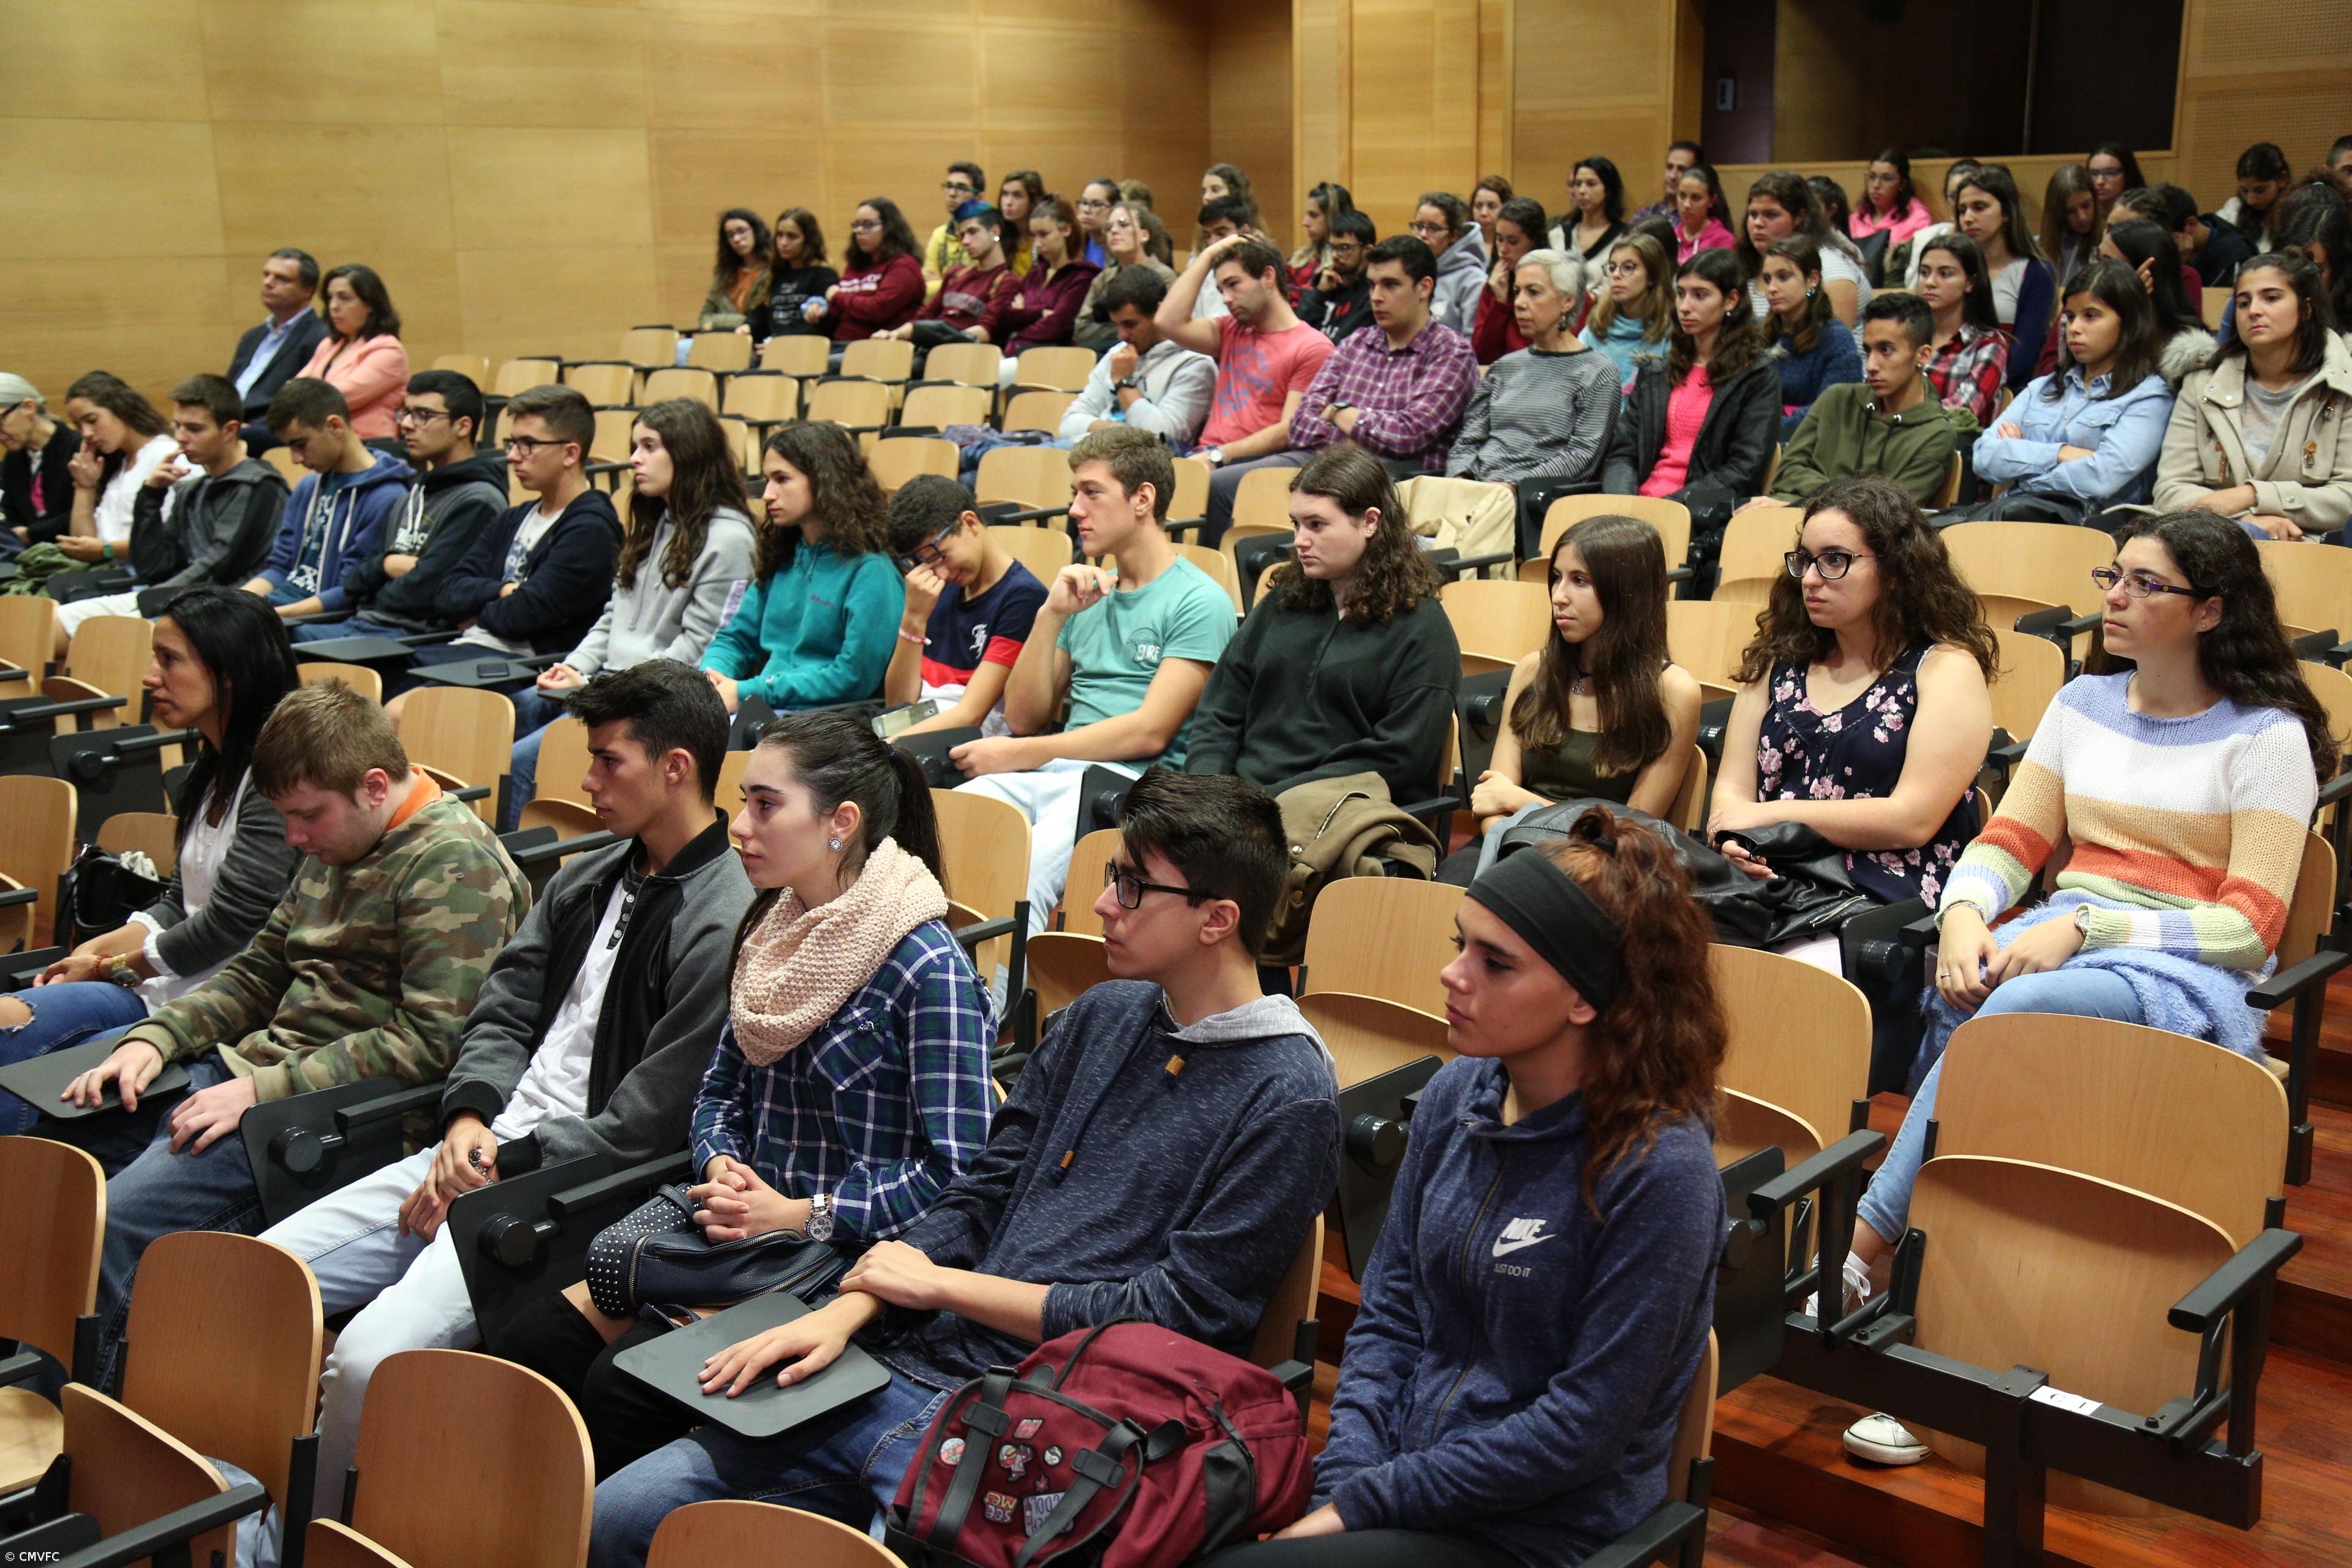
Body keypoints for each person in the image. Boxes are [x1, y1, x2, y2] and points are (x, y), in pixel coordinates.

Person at [587, 764, 1337, 1567]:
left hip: (1052, 1423)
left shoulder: (1288, 1091)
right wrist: (847, 1313)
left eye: (1132, 886)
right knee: (623, 1515)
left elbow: (1175, 1316)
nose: (1100, 904)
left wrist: (940, 1287)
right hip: (904, 1365)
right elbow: (981, 1194)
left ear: (1217, 919)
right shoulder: (1103, 1015)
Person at [1833, 512, 2331, 1465]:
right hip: (2059, 949)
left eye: (2147, 585)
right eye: (2114, 575)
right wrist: (1969, 912)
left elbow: (2247, 929)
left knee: (2009, 1016)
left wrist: (2088, 926)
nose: (2114, 596)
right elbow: (2011, 841)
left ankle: (1868, 1246)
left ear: (2212, 611)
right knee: (1992, 992)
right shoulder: (2084, 704)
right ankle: (1935, 1309)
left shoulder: (2268, 738)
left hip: (2183, 972)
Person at [258, 661, 755, 1523]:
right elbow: (502, 1002)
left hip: (560, 1191)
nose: (587, 782)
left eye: (608, 762)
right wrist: (468, 1117)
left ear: (676, 767)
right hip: (480, 1146)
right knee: (257, 1281)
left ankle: (307, 1541)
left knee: (369, 1357)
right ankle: (237, 1502)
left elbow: (648, 1122)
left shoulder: (724, 914)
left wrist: (498, 1160)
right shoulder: (591, 874)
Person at [491, 706, 994, 1487]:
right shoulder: (772, 924)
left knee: (617, 1388)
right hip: (742, 1227)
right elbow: (718, 1090)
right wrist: (722, 1161)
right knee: (530, 1346)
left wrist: (803, 1213)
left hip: (845, 1259)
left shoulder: (924, 966)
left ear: (841, 822)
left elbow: (958, 1175)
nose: (741, 828)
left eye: (767, 805)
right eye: (744, 802)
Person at [1212, 810, 1722, 1567]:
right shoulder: (1456, 1097)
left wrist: (1364, 1504)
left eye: (1497, 962)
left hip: (1534, 1534)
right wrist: (1346, 1486)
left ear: (1586, 998)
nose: (1453, 975)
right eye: (1461, 946)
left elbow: (1580, 1429)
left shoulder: (1659, 1172)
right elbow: (1390, 1317)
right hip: (1400, 1490)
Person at [39, 682, 528, 1389]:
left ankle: (75, 1417)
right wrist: (157, 1037)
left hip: (338, 1123)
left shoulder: (454, 863)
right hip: (255, 1084)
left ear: (374, 785)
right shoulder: (336, 838)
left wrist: (263, 1090)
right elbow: (260, 970)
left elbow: (432, 1046)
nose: (295, 838)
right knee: (56, 1166)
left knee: (118, 1222)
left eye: (307, 817)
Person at [0, 589, 301, 1136]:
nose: (149, 677)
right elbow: (180, 899)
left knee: (17, 1101)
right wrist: (95, 949)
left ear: (229, 673)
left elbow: (231, 925)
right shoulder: (211, 764)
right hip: (163, 983)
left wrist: (112, 966)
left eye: (170, 660)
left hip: (222, 1009)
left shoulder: (277, 777)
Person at [950, 428, 1237, 936]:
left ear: (1143, 499)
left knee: (1020, 877)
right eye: (1073, 495)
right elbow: (1023, 717)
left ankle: (996, 1015)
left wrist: (1020, 753)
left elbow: (1149, 732)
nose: (1076, 510)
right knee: (945, 843)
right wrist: (1051, 615)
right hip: (1055, 772)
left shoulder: (1198, 600)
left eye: (1092, 492)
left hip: (1131, 786)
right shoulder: (1085, 593)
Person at [1709, 477, 1995, 968]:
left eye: (1835, 560)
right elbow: (1731, 799)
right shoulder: (1776, 663)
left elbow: (1912, 819)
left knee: (1786, 978)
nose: (1811, 579)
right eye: (1805, 559)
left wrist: (1771, 816)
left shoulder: (1945, 668)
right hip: (1772, 876)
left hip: (1883, 895)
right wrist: (1738, 843)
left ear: (1895, 572)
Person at [508, 399, 757, 823]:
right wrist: (573, 668)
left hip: (655, 700)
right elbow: (613, 615)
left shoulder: (728, 538)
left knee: (519, 763)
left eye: (649, 447)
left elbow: (699, 647)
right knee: (512, 712)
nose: (634, 459)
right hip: (610, 683)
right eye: (634, 446)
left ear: (688, 453)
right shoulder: (654, 522)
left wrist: (600, 688)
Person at [1186, 447, 1460, 803]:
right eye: (1296, 524)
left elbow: (1397, 758)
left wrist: (1268, 804)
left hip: (1336, 813)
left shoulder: (1422, 628)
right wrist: (1207, 790)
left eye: (1317, 525)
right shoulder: (1283, 602)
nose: (1300, 540)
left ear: (1370, 522)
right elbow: (1219, 710)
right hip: (1239, 803)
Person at [1457, 515, 1701, 882]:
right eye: (1556, 577)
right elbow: (1493, 798)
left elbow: (1629, 832)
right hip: (1509, 844)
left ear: (1628, 593)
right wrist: (1507, 839)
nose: (1559, 596)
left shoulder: (1673, 691)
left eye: (1580, 581)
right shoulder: (1532, 670)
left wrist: (1525, 803)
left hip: (1603, 867)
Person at [399, 383, 623, 685]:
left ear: (570, 453)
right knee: (370, 680)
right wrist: (503, 591)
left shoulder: (591, 530)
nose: (514, 456)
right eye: (512, 443)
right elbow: (448, 593)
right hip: (468, 652)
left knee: (400, 707)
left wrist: (481, 610)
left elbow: (523, 615)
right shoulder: (512, 518)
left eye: (528, 444)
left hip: (523, 667)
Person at [55, 375, 288, 647]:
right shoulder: (190, 489)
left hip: (222, 608)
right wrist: (151, 495)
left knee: (103, 639)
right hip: (176, 597)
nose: (180, 437)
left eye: (194, 429)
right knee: (52, 623)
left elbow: (218, 566)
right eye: (177, 426)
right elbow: (155, 564)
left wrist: (157, 599)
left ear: (229, 430)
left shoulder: (259, 486)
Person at [285, 370, 507, 641]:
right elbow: (357, 579)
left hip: (412, 638)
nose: (408, 425)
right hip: (367, 625)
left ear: (463, 426)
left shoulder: (478, 501)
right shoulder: (413, 494)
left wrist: (378, 577)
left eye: (424, 416)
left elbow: (428, 592)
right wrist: (387, 565)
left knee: (276, 647)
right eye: (406, 413)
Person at [700, 421, 900, 716]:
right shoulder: (782, 554)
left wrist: (746, 692)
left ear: (824, 482)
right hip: (768, 709)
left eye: (782, 479)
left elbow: (853, 677)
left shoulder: (872, 570)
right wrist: (709, 677)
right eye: (768, 480)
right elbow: (737, 638)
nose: (767, 494)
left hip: (826, 722)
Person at [2154, 249, 2352, 541]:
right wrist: (2246, 521)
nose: (2254, 311)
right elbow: (2170, 490)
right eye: (2244, 302)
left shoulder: (2344, 386)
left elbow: (2346, 497)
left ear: (2307, 309)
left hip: (2309, 544)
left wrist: (2254, 495)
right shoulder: (2201, 385)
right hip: (2208, 542)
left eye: (2271, 298)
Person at [1161, 235, 1338, 546]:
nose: (1226, 298)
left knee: (1213, 483)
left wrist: (1219, 454)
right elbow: (1168, 321)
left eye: (1234, 284)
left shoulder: (1312, 347)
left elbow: (1289, 430)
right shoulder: (1232, 331)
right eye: (1220, 290)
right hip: (1208, 456)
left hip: (1254, 462)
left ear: (1268, 277)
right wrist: (1209, 254)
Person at [1969, 258, 2174, 525]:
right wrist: (2060, 453)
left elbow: (2102, 478)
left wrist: (2021, 459)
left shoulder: (2149, 397)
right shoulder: (2044, 387)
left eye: (2091, 316)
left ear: (2129, 323)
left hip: (2085, 527)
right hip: (2016, 514)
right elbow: (1984, 456)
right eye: (2070, 317)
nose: (2074, 328)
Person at [1600, 249, 1781, 545]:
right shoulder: (1658, 371)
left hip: (1699, 515)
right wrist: (1623, 504)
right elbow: (1624, 451)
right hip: (1636, 508)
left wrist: (1667, 507)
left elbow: (1743, 469)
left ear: (1731, 300)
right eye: (1681, 294)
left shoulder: (1757, 377)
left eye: (1700, 295)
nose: (1685, 306)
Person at [1287, 236, 1480, 477]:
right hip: (1324, 467)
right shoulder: (1355, 343)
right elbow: (1298, 428)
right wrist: (1354, 442)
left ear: (1424, 288)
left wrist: (1337, 413)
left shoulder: (1451, 352)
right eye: (1372, 285)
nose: (1376, 296)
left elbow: (1408, 436)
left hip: (1393, 483)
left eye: (1390, 285)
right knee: (1236, 484)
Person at [1758, 293, 1968, 509]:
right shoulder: (1837, 398)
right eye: (1869, 350)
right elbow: (1786, 473)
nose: (1871, 365)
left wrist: (1804, 498)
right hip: (1792, 521)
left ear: (1922, 356)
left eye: (1886, 350)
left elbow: (1888, 512)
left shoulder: (1936, 434)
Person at [881, 475, 1047, 737]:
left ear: (969, 523)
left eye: (942, 556)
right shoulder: (934, 590)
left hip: (966, 743)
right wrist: (913, 618)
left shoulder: (1023, 598)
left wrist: (888, 748)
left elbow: (971, 715)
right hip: (916, 735)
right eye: (925, 563)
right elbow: (897, 707)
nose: (942, 573)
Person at [1448, 249, 1619, 497]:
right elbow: (1469, 439)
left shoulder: (1597, 372)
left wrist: (1515, 486)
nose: (1518, 303)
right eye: (1517, 292)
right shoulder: (1504, 367)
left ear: (1567, 301)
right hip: (1473, 491)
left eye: (1534, 292)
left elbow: (1582, 456)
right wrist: (1460, 477)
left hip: (1532, 502)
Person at [241, 378, 411, 614]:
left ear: (335, 426)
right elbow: (280, 568)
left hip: (316, 620)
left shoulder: (386, 497)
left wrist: (271, 617)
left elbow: (349, 592)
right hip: (281, 609)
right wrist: (236, 604)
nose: (295, 459)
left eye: (300, 445)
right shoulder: (308, 487)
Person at [1055, 268, 1217, 452]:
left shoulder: (1195, 365)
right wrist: (1118, 431)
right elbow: (1068, 423)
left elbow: (1163, 439)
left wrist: (1124, 384)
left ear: (1159, 312)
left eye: (1130, 325)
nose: (1122, 335)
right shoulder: (1116, 354)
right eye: (1117, 325)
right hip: (1098, 452)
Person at [1951, 167, 2056, 388]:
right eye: (1962, 210)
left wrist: (1973, 385)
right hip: (1947, 379)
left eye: (1980, 207)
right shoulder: (1950, 267)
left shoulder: (2036, 273)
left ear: (2007, 212)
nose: (1968, 218)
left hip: (2005, 388)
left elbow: (2023, 355)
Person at [57, 371, 176, 564]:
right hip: (112, 575)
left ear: (121, 409)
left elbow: (173, 541)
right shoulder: (118, 465)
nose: (86, 433)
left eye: (92, 421)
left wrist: (107, 550)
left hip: (152, 578)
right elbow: (83, 545)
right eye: (80, 426)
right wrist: (85, 487)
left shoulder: (168, 456)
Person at [1737, 170, 1873, 325]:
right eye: (1753, 215)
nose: (1758, 223)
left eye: (1771, 215)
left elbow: (1834, 340)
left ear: (1800, 217)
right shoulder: (1747, 267)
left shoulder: (1830, 267)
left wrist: (1807, 295)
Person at [1759, 238, 1863, 436]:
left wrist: (1770, 429)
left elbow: (1833, 409)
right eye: (1767, 279)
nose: (1772, 288)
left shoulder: (1836, 339)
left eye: (1783, 277)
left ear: (1812, 279)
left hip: (1814, 442)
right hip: (1760, 438)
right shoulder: (1760, 333)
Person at [227, 249, 330, 448]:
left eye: (281, 279)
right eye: (267, 275)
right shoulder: (252, 337)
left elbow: (305, 404)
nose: (268, 283)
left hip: (268, 433)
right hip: (231, 428)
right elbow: (228, 391)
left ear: (307, 291)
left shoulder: (321, 337)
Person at [2097, 218, 2217, 386]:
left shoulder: (2183, 349)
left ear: (2148, 273)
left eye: (2109, 263)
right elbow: (2055, 371)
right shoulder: (2085, 313)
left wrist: (2131, 306)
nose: (2097, 272)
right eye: (2098, 259)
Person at [294, 265, 407, 439]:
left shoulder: (389, 350)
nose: (333, 306)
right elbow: (292, 391)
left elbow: (338, 399)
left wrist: (299, 400)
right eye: (330, 298)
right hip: (323, 439)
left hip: (367, 445)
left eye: (344, 298)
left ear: (370, 304)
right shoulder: (329, 345)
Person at [883, 203, 1017, 348]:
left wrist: (933, 336)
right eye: (962, 235)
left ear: (995, 232)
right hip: (930, 348)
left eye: (973, 232)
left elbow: (985, 332)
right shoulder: (955, 274)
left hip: (965, 356)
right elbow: (924, 316)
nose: (966, 241)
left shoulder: (1006, 281)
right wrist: (894, 335)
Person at [1913, 233, 2011, 428]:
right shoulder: (1909, 334)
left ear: (1970, 283)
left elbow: (1961, 411)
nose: (1930, 282)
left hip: (1954, 447)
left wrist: (1902, 418)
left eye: (1945, 274)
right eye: (1924, 273)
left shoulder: (1989, 344)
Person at [998, 195, 1101, 361]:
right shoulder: (1034, 274)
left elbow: (1057, 326)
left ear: (1066, 230)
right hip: (1014, 354)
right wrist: (1039, 313)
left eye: (1044, 234)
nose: (1037, 244)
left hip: (1050, 360)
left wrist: (1021, 318)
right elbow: (1003, 316)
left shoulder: (1082, 276)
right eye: (1034, 236)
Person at [810, 198, 924, 345]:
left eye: (868, 225)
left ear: (889, 228)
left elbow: (877, 310)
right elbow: (840, 314)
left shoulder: (904, 266)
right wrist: (820, 313)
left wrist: (837, 296)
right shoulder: (855, 265)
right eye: (857, 225)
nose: (859, 231)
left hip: (880, 347)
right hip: (843, 344)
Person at [1074, 200, 1176, 352]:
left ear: (1144, 235)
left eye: (1123, 224)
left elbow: (1167, 325)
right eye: (1109, 228)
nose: (1114, 231)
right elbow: (1081, 329)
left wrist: (1108, 328)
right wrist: (1125, 328)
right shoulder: (1103, 278)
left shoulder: (1164, 276)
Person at [1580, 232, 1674, 394]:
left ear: (1652, 276)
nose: (1616, 275)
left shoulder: (1671, 333)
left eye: (1628, 267)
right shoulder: (1596, 328)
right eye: (1612, 268)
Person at [2123, 181, 2256, 295]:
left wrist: (2179, 268)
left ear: (2191, 224)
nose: (2156, 246)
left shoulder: (2234, 256)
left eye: (2163, 238)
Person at [0, 374, 78, 546]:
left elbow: (93, 511)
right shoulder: (13, 460)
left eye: (0, 421)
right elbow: (12, 517)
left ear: (29, 407)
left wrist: (33, 533)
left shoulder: (79, 448)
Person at [1471, 197, 1549, 364]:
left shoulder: (1556, 286)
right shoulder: (1495, 285)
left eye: (1513, 242)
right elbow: (1482, 355)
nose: (1503, 250)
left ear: (1534, 242)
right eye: (1499, 239)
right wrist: (1500, 303)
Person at [751, 208, 838, 353]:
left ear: (808, 240)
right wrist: (748, 327)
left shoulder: (823, 274)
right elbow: (761, 316)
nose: (783, 243)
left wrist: (782, 347)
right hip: (773, 348)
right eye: (780, 235)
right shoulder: (775, 275)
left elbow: (821, 327)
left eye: (792, 236)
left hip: (805, 352)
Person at [1296, 210, 1379, 343]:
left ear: (1367, 251)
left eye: (1344, 248)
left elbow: (1346, 343)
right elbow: (1296, 331)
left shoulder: (1373, 295)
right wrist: (1319, 294)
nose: (1335, 255)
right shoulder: (1324, 284)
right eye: (1332, 247)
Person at [1413, 192, 1489, 334]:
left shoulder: (1473, 280)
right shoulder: (1410, 272)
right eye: (1419, 226)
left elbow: (1472, 343)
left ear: (1453, 236)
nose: (1423, 234)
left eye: (1434, 228)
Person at [1189, 195, 1264, 322]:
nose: (1213, 242)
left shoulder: (1261, 264)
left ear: (1245, 231)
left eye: (1221, 233)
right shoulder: (1202, 265)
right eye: (1207, 235)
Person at [1550, 157, 1629, 271]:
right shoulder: (1557, 236)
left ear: (1608, 190)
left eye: (1591, 184)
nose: (1582, 191)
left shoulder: (1624, 237)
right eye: (1578, 184)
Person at [699, 209, 772, 332]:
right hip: (724, 338)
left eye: (741, 231)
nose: (737, 239)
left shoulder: (773, 271)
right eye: (730, 235)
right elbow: (705, 317)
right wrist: (740, 321)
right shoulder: (725, 274)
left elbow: (761, 319)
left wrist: (717, 322)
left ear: (756, 231)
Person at [921, 161, 986, 298]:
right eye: (949, 186)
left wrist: (941, 282)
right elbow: (925, 288)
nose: (952, 194)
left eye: (961, 188)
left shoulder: (986, 235)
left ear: (979, 198)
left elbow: (980, 287)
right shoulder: (939, 235)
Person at [2040, 164, 2105, 292]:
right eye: (2070, 211)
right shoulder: (2037, 249)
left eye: (2086, 206)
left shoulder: (2110, 241)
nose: (2082, 217)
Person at [1852, 150, 1933, 249]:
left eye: (1887, 179)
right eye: (1872, 177)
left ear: (1902, 184)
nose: (1876, 185)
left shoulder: (1917, 219)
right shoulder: (1856, 218)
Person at [2218, 142, 2291, 251]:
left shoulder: (2296, 212)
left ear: (2282, 180)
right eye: (2244, 190)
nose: (2250, 200)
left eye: (2260, 190)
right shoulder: (2234, 208)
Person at [1290, 181, 1355, 299]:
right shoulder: (1299, 257)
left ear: (1333, 218)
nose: (1305, 223)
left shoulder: (1343, 266)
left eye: (1313, 215)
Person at [1672, 164, 1735, 262]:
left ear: (1711, 201)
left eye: (1696, 198)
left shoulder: (1723, 240)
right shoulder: (1671, 236)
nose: (1687, 205)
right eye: (1682, 196)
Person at [1632, 140, 1705, 224]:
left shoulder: (1697, 223)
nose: (1673, 176)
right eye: (1670, 167)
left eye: (1682, 169)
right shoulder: (1645, 215)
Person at [998, 170, 1044, 276]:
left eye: (1017, 196)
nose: (1008, 202)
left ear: (1033, 200)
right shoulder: (1000, 235)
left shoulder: (1043, 238)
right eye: (1005, 194)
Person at [2086, 143, 2148, 215]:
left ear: (2128, 175)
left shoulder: (2144, 213)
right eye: (2094, 174)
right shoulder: (2083, 215)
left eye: (2110, 173)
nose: (2100, 182)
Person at [1077, 177, 1123, 267]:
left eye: (1097, 204)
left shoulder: (1122, 248)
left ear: (1114, 209)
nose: (1086, 210)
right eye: (1084, 203)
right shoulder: (1076, 244)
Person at [1202, 162, 1260, 227]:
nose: (1206, 197)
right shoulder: (1203, 233)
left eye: (1215, 190)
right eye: (1204, 191)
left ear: (1235, 193)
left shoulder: (1250, 236)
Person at [1471, 175, 1513, 254]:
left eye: (1491, 206)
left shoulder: (1512, 247)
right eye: (1478, 206)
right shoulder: (1462, 244)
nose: (1483, 213)